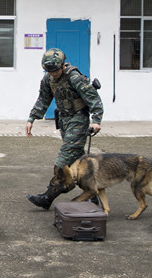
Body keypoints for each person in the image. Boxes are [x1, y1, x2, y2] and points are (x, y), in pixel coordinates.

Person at [24, 48, 103, 210]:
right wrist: (32, 118)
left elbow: (94, 100)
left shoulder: (75, 78)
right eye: (49, 70)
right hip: (64, 121)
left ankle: (48, 197)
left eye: (55, 70)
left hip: (78, 120)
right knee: (78, 161)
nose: (53, 73)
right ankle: (91, 195)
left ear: (62, 65)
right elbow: (43, 99)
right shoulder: (48, 78)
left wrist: (96, 121)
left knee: (63, 161)